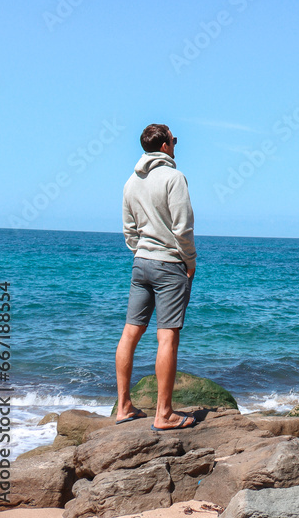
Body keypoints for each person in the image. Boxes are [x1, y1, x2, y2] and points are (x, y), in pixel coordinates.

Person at [115, 124, 198, 430]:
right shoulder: (174, 178)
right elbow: (182, 227)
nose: (175, 144)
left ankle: (123, 407)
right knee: (167, 337)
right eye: (173, 140)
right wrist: (190, 261)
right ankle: (163, 414)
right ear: (164, 146)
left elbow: (129, 230)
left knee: (130, 333)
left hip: (141, 263)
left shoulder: (131, 181)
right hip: (169, 264)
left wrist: (142, 251)